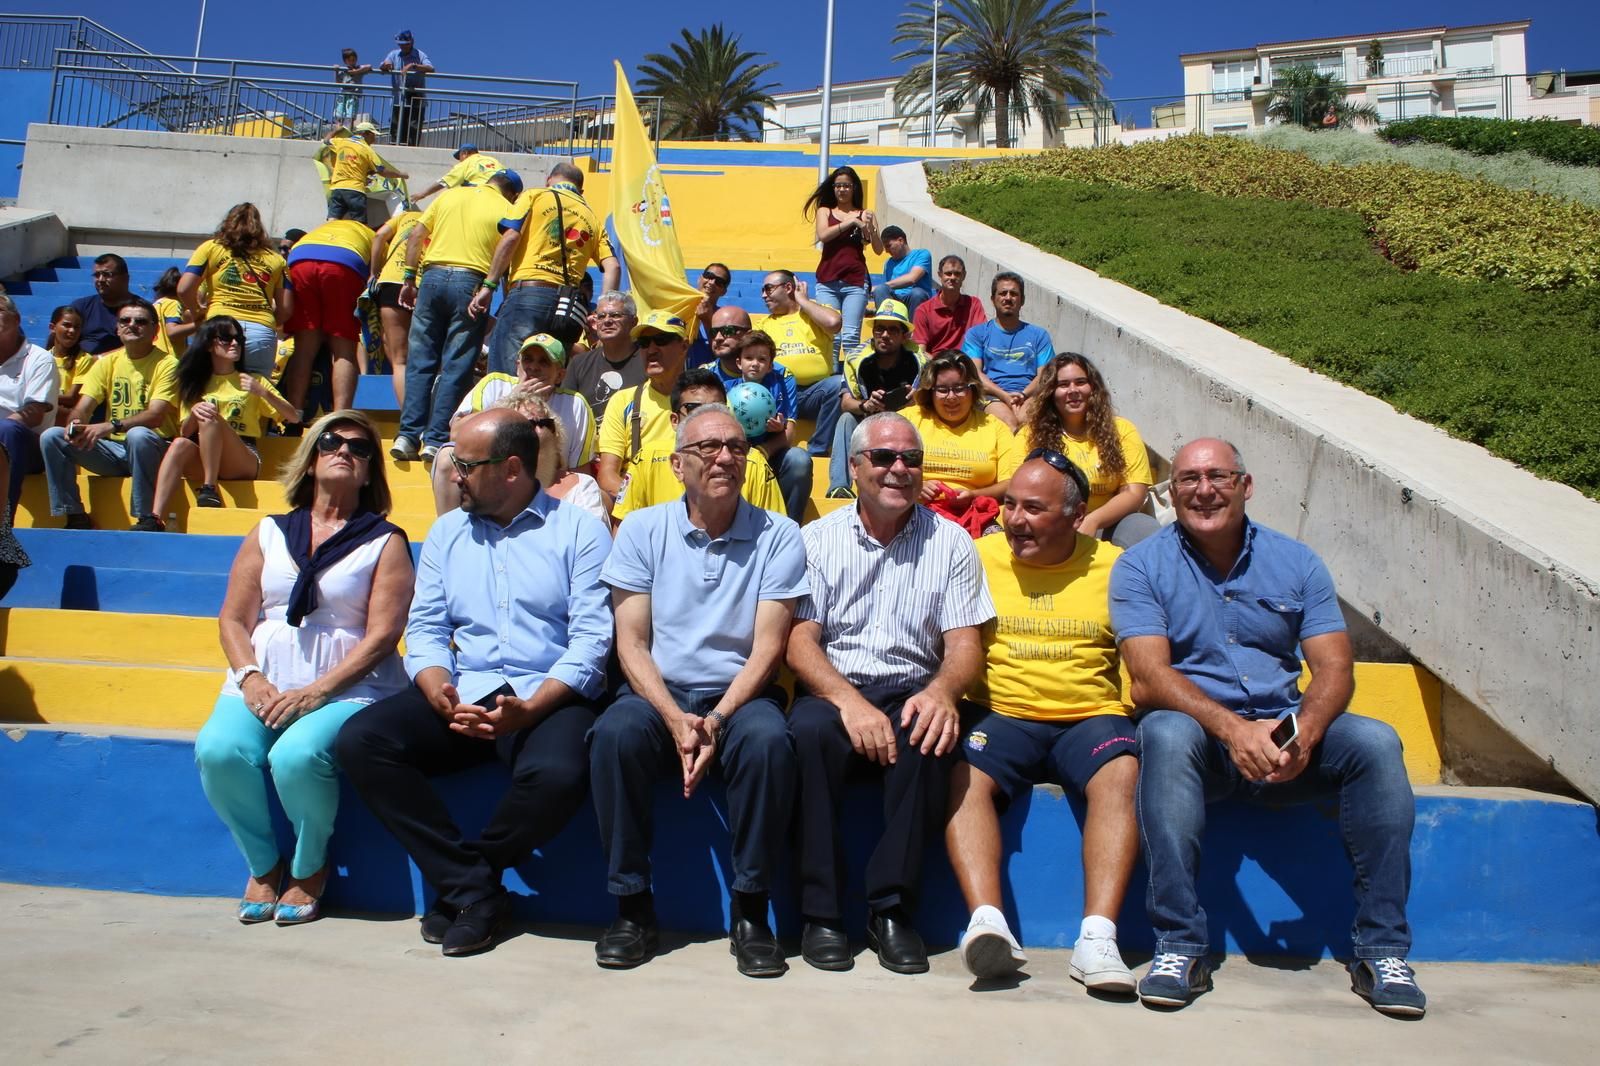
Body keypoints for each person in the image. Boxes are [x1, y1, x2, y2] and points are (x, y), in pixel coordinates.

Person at [1111, 438, 1425, 1016]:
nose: (1203, 490)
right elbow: (1149, 677)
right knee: (1164, 731)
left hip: (1286, 737)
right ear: (1171, 491)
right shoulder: (1140, 566)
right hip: (1201, 740)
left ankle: (1381, 951)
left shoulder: (1297, 561)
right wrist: (1234, 731)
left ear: (1245, 485)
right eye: (1187, 480)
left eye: (1218, 476)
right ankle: (1180, 945)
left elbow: (1334, 667)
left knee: (1376, 742)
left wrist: (1303, 732)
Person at [337, 409, 612, 958]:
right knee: (360, 741)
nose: (452, 474)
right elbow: (427, 627)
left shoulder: (580, 529)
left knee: (560, 772)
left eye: (464, 464)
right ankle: (475, 890)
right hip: (467, 689)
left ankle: (469, 883)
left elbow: (591, 642)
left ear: (511, 468)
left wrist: (531, 709)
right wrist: (437, 685)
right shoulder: (446, 533)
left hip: (548, 694)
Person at [589, 402, 807, 975]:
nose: (724, 458)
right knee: (614, 735)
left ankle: (751, 911)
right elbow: (631, 643)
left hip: (740, 694)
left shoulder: (779, 535)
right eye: (708, 447)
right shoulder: (640, 528)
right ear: (679, 464)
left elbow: (768, 648)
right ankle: (632, 906)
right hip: (657, 690)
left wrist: (715, 718)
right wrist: (672, 715)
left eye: (736, 447)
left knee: (766, 743)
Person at [788, 411, 995, 974]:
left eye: (911, 459)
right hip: (836, 690)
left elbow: (964, 645)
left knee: (930, 736)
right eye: (883, 458)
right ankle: (823, 914)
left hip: (913, 687)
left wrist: (944, 692)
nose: (899, 469)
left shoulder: (951, 543)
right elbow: (801, 642)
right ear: (854, 467)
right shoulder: (816, 540)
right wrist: (848, 702)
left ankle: (891, 910)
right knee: (807, 736)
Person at [194, 410, 411, 925]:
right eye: (332, 442)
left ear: (369, 472)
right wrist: (250, 677)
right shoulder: (268, 531)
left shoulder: (386, 540)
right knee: (219, 751)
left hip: (348, 687)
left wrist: (317, 692)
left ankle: (310, 866)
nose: (344, 451)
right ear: (311, 458)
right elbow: (232, 618)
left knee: (296, 756)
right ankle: (264, 864)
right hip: (263, 679)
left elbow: (383, 636)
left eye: (360, 449)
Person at [947, 452, 1138, 991]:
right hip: (1002, 713)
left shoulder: (1117, 567)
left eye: (1033, 508)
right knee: (963, 774)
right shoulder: (975, 556)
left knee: (1121, 774)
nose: (1014, 519)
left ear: (1076, 517)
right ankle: (988, 924)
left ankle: (1097, 940)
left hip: (1090, 716)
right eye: (1008, 504)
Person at [389, 169, 523, 463]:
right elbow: (509, 243)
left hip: (432, 278)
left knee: (420, 360)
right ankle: (435, 439)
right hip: (470, 282)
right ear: (512, 192)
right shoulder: (508, 208)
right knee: (456, 364)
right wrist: (491, 285)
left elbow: (416, 235)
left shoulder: (448, 196)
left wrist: (409, 278)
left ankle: (407, 435)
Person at [149, 316, 300, 527]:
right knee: (179, 444)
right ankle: (155, 517)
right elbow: (185, 432)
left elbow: (293, 417)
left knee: (211, 418)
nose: (235, 343)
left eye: (238, 338)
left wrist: (264, 393)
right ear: (210, 344)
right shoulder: (194, 382)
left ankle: (209, 488)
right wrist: (194, 411)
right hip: (204, 452)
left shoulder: (252, 380)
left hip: (242, 458)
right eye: (227, 338)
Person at [39, 297, 176, 531]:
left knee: (138, 435)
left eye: (140, 321)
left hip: (156, 449)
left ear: (155, 329)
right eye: (125, 320)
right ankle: (74, 515)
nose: (131, 325)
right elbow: (83, 407)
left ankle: (146, 518)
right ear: (117, 328)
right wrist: (76, 424)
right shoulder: (106, 363)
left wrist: (110, 426)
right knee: (52, 436)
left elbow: (155, 416)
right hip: (115, 451)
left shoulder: (168, 364)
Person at [473, 161, 620, 369]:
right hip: (570, 307)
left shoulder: (536, 196)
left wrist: (489, 285)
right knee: (550, 378)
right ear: (581, 190)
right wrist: (603, 310)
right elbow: (613, 266)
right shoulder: (592, 217)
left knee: (507, 375)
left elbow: (511, 237)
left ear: (549, 180)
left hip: (529, 295)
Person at [430, 333, 596, 513]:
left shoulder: (575, 404)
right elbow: (457, 433)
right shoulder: (494, 385)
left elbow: (580, 470)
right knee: (447, 457)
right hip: (490, 479)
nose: (534, 367)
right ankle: (450, 532)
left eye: (544, 362)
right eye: (528, 359)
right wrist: (510, 400)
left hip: (549, 492)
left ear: (560, 375)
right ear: (518, 366)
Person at [613, 368, 785, 522]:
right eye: (694, 409)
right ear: (674, 420)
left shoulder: (752, 461)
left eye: (716, 408)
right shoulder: (647, 458)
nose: (706, 417)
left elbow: (774, 531)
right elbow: (623, 526)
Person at [1025, 352, 1159, 548]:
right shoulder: (1030, 435)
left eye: (1080, 382)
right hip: (1052, 525)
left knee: (1147, 532)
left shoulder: (1122, 430)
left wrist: (1092, 520)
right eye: (1063, 385)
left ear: (1093, 388)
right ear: (1050, 393)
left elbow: (1134, 492)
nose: (1073, 390)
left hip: (1108, 523)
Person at [904, 353, 1023, 533]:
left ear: (973, 389)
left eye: (959, 388)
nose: (951, 397)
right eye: (942, 390)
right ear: (930, 391)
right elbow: (882, 464)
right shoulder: (909, 420)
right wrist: (915, 486)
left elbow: (1010, 484)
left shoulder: (995, 427)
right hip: (915, 509)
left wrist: (973, 495)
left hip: (976, 514)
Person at [177, 203, 293, 377]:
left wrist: (197, 313)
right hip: (260, 331)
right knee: (258, 395)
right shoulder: (276, 259)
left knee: (210, 388)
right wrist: (267, 322)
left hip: (220, 326)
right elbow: (286, 309)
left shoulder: (211, 248)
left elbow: (184, 288)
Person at [826, 300, 923, 499]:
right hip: (868, 420)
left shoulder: (922, 360)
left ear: (904, 335)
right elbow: (845, 402)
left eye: (892, 330)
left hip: (907, 420)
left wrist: (919, 397)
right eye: (880, 329)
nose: (885, 335)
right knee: (846, 419)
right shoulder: (856, 358)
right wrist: (866, 404)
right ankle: (839, 487)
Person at [594, 310, 691, 501]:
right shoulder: (623, 401)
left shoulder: (709, 398)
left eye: (661, 339)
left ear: (684, 346)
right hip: (639, 506)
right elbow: (607, 475)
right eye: (644, 343)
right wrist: (641, 500)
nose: (652, 349)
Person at [282, 218, 374, 415]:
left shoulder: (322, 228)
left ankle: (293, 416)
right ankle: (339, 416)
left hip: (300, 259)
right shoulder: (374, 235)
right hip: (344, 263)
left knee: (304, 349)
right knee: (343, 350)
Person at [718, 332, 810, 523]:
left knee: (799, 459)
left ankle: (790, 526)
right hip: (735, 453)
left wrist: (765, 447)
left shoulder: (782, 381)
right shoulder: (727, 389)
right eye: (749, 358)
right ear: (738, 363)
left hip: (771, 453)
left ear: (770, 366)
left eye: (762, 359)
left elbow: (790, 433)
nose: (755, 364)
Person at [757, 270, 843, 460]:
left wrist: (803, 301)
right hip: (779, 394)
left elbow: (833, 322)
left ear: (788, 288)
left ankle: (818, 450)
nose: (764, 295)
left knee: (838, 384)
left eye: (768, 289)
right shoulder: (763, 324)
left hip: (814, 393)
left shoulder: (815, 313)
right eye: (763, 290)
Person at [490, 387, 609, 524]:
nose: (534, 430)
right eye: (524, 424)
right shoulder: (491, 489)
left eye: (543, 423)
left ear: (554, 433)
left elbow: (593, 539)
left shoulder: (582, 488)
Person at [962, 272, 1055, 432]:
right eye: (1002, 293)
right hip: (992, 395)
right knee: (1009, 424)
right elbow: (974, 373)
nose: (1008, 298)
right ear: (993, 299)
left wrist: (1023, 395)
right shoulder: (977, 334)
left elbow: (1045, 376)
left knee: (1024, 422)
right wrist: (1004, 395)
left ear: (1022, 300)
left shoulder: (1039, 335)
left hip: (1029, 395)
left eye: (1014, 294)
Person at [804, 165, 881, 356]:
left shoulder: (865, 214)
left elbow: (878, 249)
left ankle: (850, 380)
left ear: (854, 187)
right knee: (832, 336)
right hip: (827, 279)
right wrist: (850, 222)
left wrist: (870, 227)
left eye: (846, 185)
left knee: (850, 335)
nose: (842, 190)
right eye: (838, 186)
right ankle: (832, 379)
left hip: (855, 280)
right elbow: (823, 235)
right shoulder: (825, 211)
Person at [0, 295, 59, 511]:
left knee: (7, 429)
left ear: (16, 320)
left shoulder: (39, 359)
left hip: (29, 446)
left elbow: (34, 414)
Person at [368, 203, 424, 407]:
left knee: (400, 360)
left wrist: (374, 272)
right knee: (427, 357)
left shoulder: (405, 217)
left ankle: (408, 421)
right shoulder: (440, 218)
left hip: (392, 281)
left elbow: (379, 236)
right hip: (424, 283)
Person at [565, 291, 643, 420]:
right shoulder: (578, 364)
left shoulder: (648, 362)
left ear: (633, 321)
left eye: (615, 315)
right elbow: (567, 412)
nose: (607, 321)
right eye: (601, 316)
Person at [322, 122, 406, 222]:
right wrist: (400, 175)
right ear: (366, 133)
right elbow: (382, 171)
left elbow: (326, 141)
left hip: (337, 189)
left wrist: (337, 129)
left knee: (332, 220)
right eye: (373, 135)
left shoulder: (342, 142)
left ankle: (328, 236)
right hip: (355, 190)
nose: (374, 139)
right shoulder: (367, 150)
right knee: (359, 224)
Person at [912, 256, 986, 355]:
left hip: (966, 363)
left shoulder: (974, 304)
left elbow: (982, 338)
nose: (952, 277)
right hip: (936, 365)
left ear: (964, 276)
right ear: (940, 275)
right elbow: (920, 351)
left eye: (957, 274)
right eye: (948, 273)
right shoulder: (923, 310)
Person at [69, 253, 133, 355]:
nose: (100, 280)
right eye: (97, 275)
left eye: (107, 274)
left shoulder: (140, 310)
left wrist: (100, 359)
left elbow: (140, 345)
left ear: (125, 279)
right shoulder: (81, 307)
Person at [379, 30, 433, 146]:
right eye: (401, 44)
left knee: (413, 127)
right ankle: (395, 149)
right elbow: (384, 65)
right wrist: (385, 66)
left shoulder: (420, 55)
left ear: (412, 42)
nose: (403, 47)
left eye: (406, 44)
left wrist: (413, 66)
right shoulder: (393, 54)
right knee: (396, 125)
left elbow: (430, 68)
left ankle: (411, 149)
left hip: (416, 98)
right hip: (399, 98)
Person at [871, 226, 932, 318]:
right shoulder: (888, 263)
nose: (887, 251)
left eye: (888, 246)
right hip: (895, 302)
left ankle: (915, 330)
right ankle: (886, 324)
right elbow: (885, 290)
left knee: (917, 293)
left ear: (900, 241)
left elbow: (912, 278)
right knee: (880, 290)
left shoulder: (922, 254)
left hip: (914, 300)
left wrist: (884, 286)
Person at [47, 305, 91, 428]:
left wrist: (41, 397)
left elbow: (72, 398)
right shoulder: (42, 357)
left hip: (71, 417)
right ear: (52, 328)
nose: (72, 331)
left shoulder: (84, 359)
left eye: (76, 327)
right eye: (67, 325)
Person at [413, 143, 503, 204]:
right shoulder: (492, 160)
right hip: (502, 195)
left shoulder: (466, 163)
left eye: (459, 157)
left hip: (483, 196)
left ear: (465, 153)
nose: (459, 161)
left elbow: (444, 182)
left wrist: (422, 194)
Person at [688, 262, 733, 366]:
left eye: (719, 281)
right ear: (700, 278)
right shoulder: (681, 308)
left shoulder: (725, 318)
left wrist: (707, 321)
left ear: (723, 291)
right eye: (709, 276)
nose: (712, 282)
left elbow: (723, 356)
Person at [152, 266, 196, 352]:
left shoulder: (156, 304)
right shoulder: (173, 304)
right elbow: (172, 332)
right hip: (170, 360)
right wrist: (199, 324)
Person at [704, 305, 751, 382]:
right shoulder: (704, 378)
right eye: (714, 332)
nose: (718, 338)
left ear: (748, 334)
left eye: (728, 331)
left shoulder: (774, 375)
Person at [333, 48, 373, 128]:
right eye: (350, 60)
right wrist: (336, 71)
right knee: (339, 114)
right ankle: (338, 130)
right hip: (343, 95)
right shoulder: (343, 70)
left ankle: (349, 131)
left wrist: (356, 72)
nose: (352, 62)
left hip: (353, 96)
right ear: (345, 61)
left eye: (354, 60)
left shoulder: (359, 68)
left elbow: (369, 66)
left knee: (351, 114)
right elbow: (338, 83)